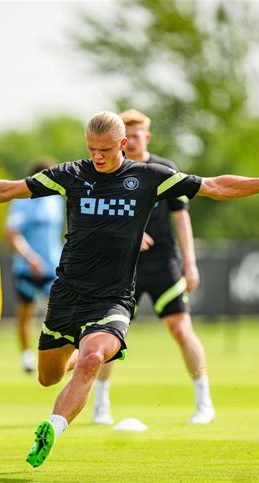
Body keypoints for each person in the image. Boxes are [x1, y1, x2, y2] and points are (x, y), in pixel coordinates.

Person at [0, 111, 259, 468]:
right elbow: (7, 190)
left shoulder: (152, 177)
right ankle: (73, 362)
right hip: (66, 295)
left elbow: (216, 186)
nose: (97, 157)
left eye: (105, 149)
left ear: (124, 145)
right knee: (49, 376)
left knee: (94, 357)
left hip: (113, 298)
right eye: (91, 149)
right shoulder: (71, 175)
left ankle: (52, 429)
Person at [92, 109, 214, 425]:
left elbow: (180, 216)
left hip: (163, 264)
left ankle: (204, 403)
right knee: (109, 337)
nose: (130, 141)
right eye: (126, 136)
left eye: (136, 135)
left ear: (146, 136)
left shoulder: (164, 169)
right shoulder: (107, 171)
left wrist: (190, 263)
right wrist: (127, 232)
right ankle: (100, 406)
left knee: (181, 329)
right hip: (123, 268)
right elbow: (94, 218)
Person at [5, 159, 64, 373]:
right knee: (25, 315)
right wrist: (30, 257)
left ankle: (54, 355)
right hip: (26, 269)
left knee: (58, 313)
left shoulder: (56, 200)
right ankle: (26, 356)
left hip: (52, 268)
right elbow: (12, 234)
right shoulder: (22, 201)